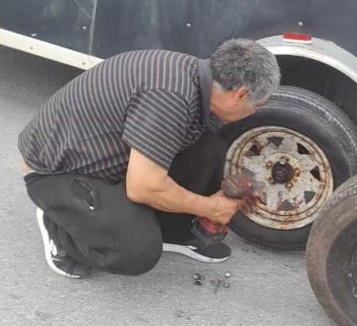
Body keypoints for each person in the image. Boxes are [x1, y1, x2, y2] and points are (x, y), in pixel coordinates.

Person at [19, 39, 280, 278]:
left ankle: (173, 231)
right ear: (241, 94)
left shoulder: (195, 77)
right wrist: (209, 207)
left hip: (107, 156)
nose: (252, 112)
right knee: (136, 250)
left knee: (209, 147)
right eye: (255, 106)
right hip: (56, 171)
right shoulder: (170, 95)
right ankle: (61, 227)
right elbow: (142, 187)